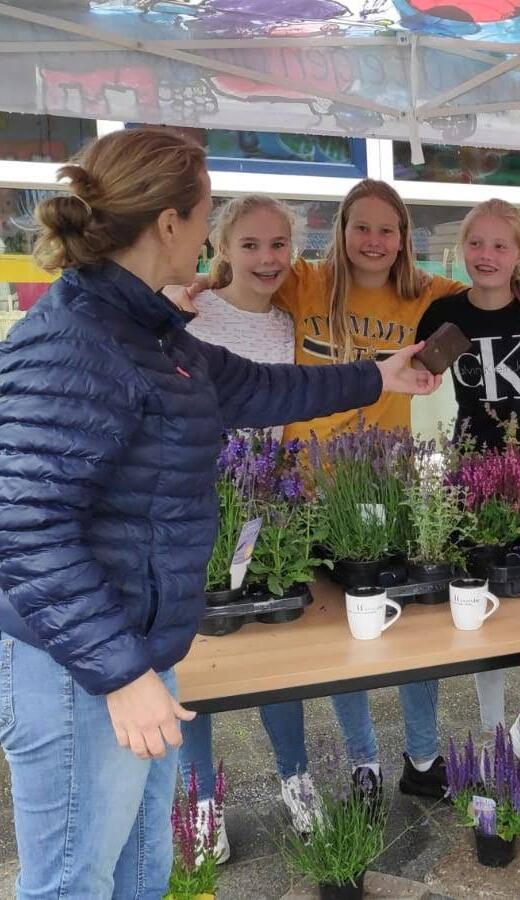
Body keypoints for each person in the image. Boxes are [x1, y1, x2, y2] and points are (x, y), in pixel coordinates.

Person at [0, 128, 440, 899]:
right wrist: (122, 674)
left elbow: (262, 390)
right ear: (169, 224)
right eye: (205, 217)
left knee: (142, 871)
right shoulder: (73, 341)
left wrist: (381, 376)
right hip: (77, 667)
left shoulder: (152, 331)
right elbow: (23, 525)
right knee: (73, 882)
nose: (209, 236)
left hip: (135, 651)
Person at [267, 180, 520, 806]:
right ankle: (362, 760)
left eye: (387, 229)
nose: (374, 241)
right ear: (341, 230)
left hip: (385, 481)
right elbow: (248, 268)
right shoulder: (303, 281)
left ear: (405, 238)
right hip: (310, 485)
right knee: (342, 629)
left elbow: (492, 291)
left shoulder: (425, 297)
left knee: (416, 616)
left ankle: (425, 753)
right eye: (362, 227)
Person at [179, 195, 322, 863]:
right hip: (193, 505)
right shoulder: (193, 313)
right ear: (223, 248)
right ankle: (201, 802)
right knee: (197, 658)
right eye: (251, 245)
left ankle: (295, 781)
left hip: (262, 508)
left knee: (277, 654)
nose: (266, 258)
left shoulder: (289, 325)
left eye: (277, 245)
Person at [415, 199, 520, 787]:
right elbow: (419, 367)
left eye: (501, 246)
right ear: (462, 250)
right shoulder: (446, 314)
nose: (488, 255)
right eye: (477, 243)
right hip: (473, 472)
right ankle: (491, 731)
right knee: (482, 600)